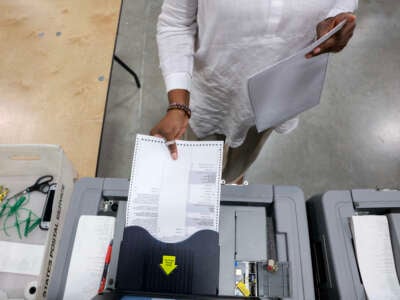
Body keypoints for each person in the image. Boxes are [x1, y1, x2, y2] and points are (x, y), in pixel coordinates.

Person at [151, 0, 357, 183]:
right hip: (211, 90)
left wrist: (335, 21)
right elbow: (177, 23)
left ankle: (232, 181)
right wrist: (178, 104)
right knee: (196, 165)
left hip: (277, 91)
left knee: (244, 157)